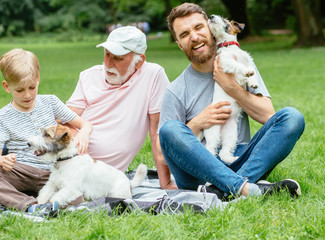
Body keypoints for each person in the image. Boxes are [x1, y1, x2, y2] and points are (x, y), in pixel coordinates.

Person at [156, 3, 305, 199]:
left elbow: (269, 116)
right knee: (170, 129)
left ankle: (223, 190)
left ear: (211, 28)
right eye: (184, 34)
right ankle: (245, 188)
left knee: (292, 117)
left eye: (199, 28)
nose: (194, 37)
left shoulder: (241, 64)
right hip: (198, 172)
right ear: (179, 44)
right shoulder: (176, 90)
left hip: (241, 158)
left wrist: (231, 88)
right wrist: (197, 123)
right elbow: (161, 151)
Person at [66, 26, 175, 189]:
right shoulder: (88, 76)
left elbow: (157, 131)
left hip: (103, 177)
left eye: (118, 58)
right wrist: (82, 134)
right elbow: (63, 121)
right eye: (107, 54)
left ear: (139, 61)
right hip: (70, 158)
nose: (108, 63)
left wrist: (165, 182)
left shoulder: (153, 75)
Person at [0, 48, 93, 212]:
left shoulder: (51, 102)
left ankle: (48, 203)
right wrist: (2, 160)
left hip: (53, 172)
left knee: (77, 200)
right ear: (7, 87)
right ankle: (30, 205)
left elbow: (85, 124)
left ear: (38, 79)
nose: (27, 95)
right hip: (21, 171)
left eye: (32, 87)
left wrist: (84, 133)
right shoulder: (3, 116)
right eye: (20, 90)